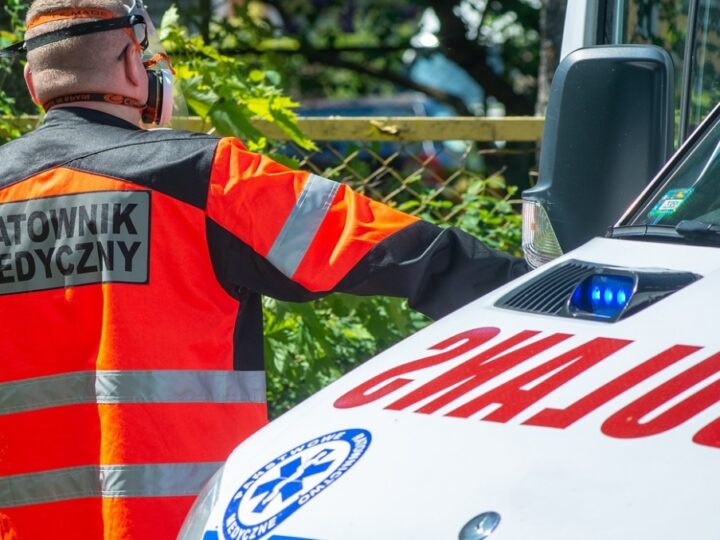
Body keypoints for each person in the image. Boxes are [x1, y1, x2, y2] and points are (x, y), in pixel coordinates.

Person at [0, 1, 527, 538]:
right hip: (190, 523)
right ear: (136, 68)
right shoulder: (201, 176)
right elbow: (402, 251)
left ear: (31, 80)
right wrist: (548, 291)